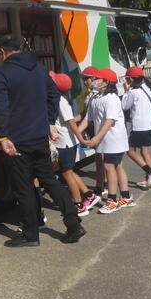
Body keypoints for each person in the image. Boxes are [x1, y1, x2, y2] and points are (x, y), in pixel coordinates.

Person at [0, 37, 84, 246]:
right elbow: (53, 96)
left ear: (2, 52)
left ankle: (30, 234)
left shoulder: (3, 73)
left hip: (17, 139)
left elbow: (1, 107)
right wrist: (50, 121)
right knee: (50, 180)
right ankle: (73, 224)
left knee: (23, 186)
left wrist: (3, 136)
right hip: (40, 136)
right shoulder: (40, 69)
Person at [77, 68, 134, 214]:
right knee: (117, 167)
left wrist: (96, 138)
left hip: (114, 139)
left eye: (97, 79)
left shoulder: (112, 98)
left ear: (106, 82)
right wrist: (77, 133)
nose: (94, 81)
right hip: (105, 139)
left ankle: (112, 200)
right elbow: (88, 119)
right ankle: (126, 197)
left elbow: (109, 121)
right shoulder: (96, 98)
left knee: (109, 166)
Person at [48, 71, 101, 217]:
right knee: (68, 171)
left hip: (65, 142)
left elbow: (71, 122)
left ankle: (79, 204)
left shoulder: (59, 101)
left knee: (67, 173)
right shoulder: (58, 99)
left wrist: (82, 139)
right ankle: (89, 195)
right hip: (65, 142)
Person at [121, 66, 151, 189]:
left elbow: (124, 106)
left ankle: (150, 171)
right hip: (150, 126)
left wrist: (126, 91)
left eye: (127, 79)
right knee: (144, 151)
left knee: (130, 151)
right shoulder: (149, 88)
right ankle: (150, 180)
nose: (126, 81)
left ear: (130, 79)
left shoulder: (133, 92)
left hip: (139, 127)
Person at [78, 65, 106, 198]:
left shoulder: (100, 94)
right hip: (93, 129)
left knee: (104, 160)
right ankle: (101, 185)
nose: (85, 82)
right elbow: (85, 115)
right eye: (83, 79)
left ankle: (104, 187)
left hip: (100, 130)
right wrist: (73, 123)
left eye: (87, 79)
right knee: (99, 159)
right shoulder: (88, 94)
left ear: (95, 79)